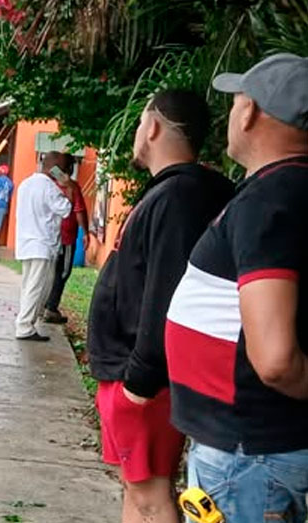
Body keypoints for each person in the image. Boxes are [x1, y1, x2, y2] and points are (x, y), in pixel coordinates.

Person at [164, 54, 308, 521]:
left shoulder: (274, 199)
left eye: (236, 101)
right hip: (248, 449)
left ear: (250, 112)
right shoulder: (281, 190)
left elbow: (276, 360)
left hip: (251, 457)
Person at [87, 89, 235, 523]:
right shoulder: (179, 191)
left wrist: (140, 379)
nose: (136, 133)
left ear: (152, 126)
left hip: (145, 377)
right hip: (133, 370)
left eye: (139, 124)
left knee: (151, 495)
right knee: (139, 491)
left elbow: (168, 293)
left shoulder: (180, 196)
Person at [13, 152, 72, 341]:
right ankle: (25, 327)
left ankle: (25, 321)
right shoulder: (50, 188)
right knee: (37, 287)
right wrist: (67, 187)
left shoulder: (26, 184)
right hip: (42, 243)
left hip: (25, 242)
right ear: (57, 170)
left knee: (28, 285)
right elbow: (66, 209)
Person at [43, 155, 89, 323]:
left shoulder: (47, 185)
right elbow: (79, 211)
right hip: (66, 236)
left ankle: (44, 305)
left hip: (49, 235)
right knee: (62, 272)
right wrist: (85, 232)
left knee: (49, 271)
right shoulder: (72, 187)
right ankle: (51, 307)